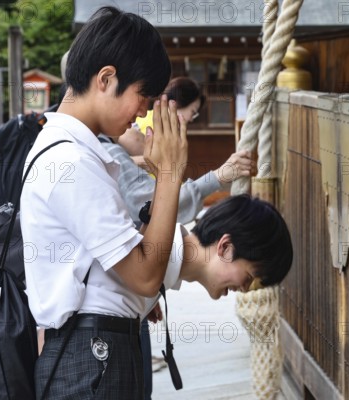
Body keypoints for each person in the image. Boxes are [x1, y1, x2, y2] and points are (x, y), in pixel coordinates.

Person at [20, 7, 186, 399]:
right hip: (91, 359)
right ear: (106, 78)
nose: (144, 112)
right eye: (142, 95)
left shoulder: (75, 152)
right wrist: (170, 174)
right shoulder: (70, 162)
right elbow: (145, 275)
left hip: (95, 354)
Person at [99, 76, 254, 399]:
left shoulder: (110, 153)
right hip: (104, 330)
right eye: (142, 102)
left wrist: (148, 290)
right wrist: (216, 177)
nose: (140, 119)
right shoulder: (103, 153)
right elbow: (153, 209)